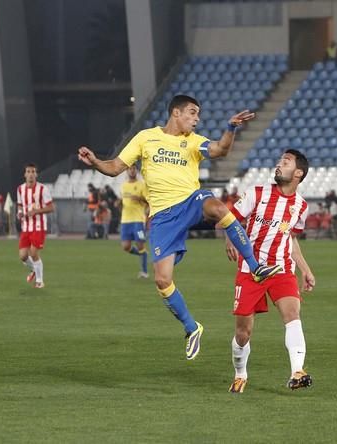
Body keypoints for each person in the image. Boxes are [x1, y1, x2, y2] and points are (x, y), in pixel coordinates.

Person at [77, 94, 282, 361]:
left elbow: (220, 149)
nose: (197, 119)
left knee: (219, 208)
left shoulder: (194, 142)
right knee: (162, 279)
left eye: (198, 115)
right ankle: (191, 327)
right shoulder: (145, 138)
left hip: (190, 201)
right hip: (162, 217)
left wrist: (230, 128)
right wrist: (95, 161)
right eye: (192, 113)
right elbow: (115, 167)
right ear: (176, 113)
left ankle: (255, 267)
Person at [225, 150, 315, 393]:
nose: (278, 165)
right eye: (279, 161)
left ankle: (298, 371)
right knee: (243, 333)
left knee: (293, 314)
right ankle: (240, 373)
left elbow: (291, 240)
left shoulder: (301, 206)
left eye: (285, 162)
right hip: (250, 270)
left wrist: (305, 269)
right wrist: (230, 239)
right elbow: (230, 219)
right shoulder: (257, 193)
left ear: (298, 173)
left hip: (282, 269)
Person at [17, 163, 54, 289]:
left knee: (33, 253)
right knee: (23, 256)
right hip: (26, 226)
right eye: (28, 171)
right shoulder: (20, 189)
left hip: (39, 226)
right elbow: (20, 205)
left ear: (36, 174)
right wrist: (20, 213)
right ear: (24, 174)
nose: (31, 174)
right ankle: (34, 269)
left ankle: (39, 281)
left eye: (33, 171)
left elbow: (51, 207)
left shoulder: (43, 189)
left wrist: (36, 211)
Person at [119, 165, 150, 278]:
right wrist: (118, 204)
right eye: (129, 169)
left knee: (140, 244)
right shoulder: (123, 186)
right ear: (127, 171)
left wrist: (140, 199)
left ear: (136, 171)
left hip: (138, 220)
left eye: (133, 169)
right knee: (125, 247)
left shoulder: (141, 185)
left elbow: (148, 201)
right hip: (125, 220)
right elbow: (123, 202)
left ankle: (144, 272)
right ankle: (144, 255)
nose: (132, 171)